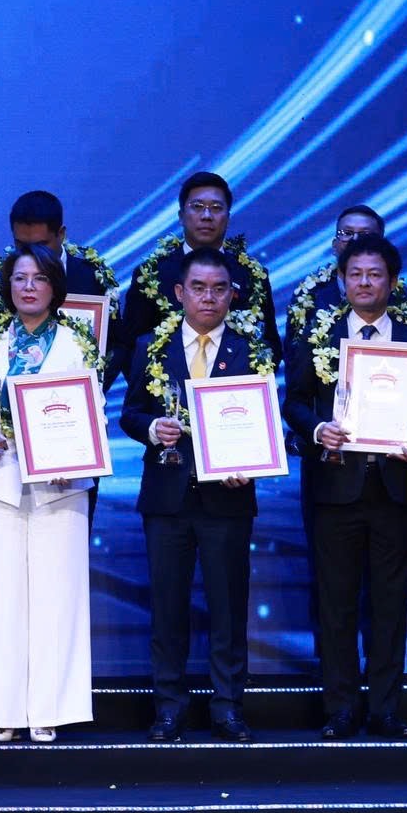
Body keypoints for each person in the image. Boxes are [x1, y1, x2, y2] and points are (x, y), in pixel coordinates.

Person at [284, 234, 407, 740]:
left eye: (375, 275)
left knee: (390, 604)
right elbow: (295, 400)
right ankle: (341, 709)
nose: (365, 283)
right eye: (355, 274)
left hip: (393, 488)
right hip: (335, 489)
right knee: (336, 603)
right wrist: (316, 430)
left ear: (392, 282)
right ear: (342, 280)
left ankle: (385, 709)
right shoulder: (319, 335)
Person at [0, 244, 99, 741]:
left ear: (55, 285)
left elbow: (92, 408)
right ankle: (4, 712)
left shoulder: (77, 341)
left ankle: (48, 710)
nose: (28, 287)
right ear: (7, 286)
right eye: (19, 278)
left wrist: (71, 457)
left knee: (58, 597)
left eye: (38, 278)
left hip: (61, 483)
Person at [119, 248, 266, 743]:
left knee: (229, 607)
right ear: (180, 292)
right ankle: (169, 708)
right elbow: (130, 412)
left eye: (219, 289)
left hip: (229, 497)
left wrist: (251, 464)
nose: (209, 297)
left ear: (232, 295)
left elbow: (263, 421)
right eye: (199, 288)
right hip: (168, 496)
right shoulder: (150, 346)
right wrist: (150, 428)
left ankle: (228, 707)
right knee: (167, 608)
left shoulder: (251, 349)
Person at [116, 172, 279, 367]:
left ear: (228, 218)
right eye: (197, 207)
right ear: (181, 216)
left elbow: (270, 345)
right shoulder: (152, 274)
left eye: (216, 208)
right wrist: (162, 384)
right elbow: (131, 348)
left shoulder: (251, 275)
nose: (207, 216)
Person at [0, 190, 118, 368]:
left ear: (61, 234)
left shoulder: (92, 278)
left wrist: (93, 381)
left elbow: (116, 345)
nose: (32, 253)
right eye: (21, 245)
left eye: (41, 245)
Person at [281, 204, 386, 358]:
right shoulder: (309, 297)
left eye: (365, 234)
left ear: (383, 245)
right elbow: (293, 358)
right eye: (347, 233)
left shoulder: (403, 298)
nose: (355, 240)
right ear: (334, 245)